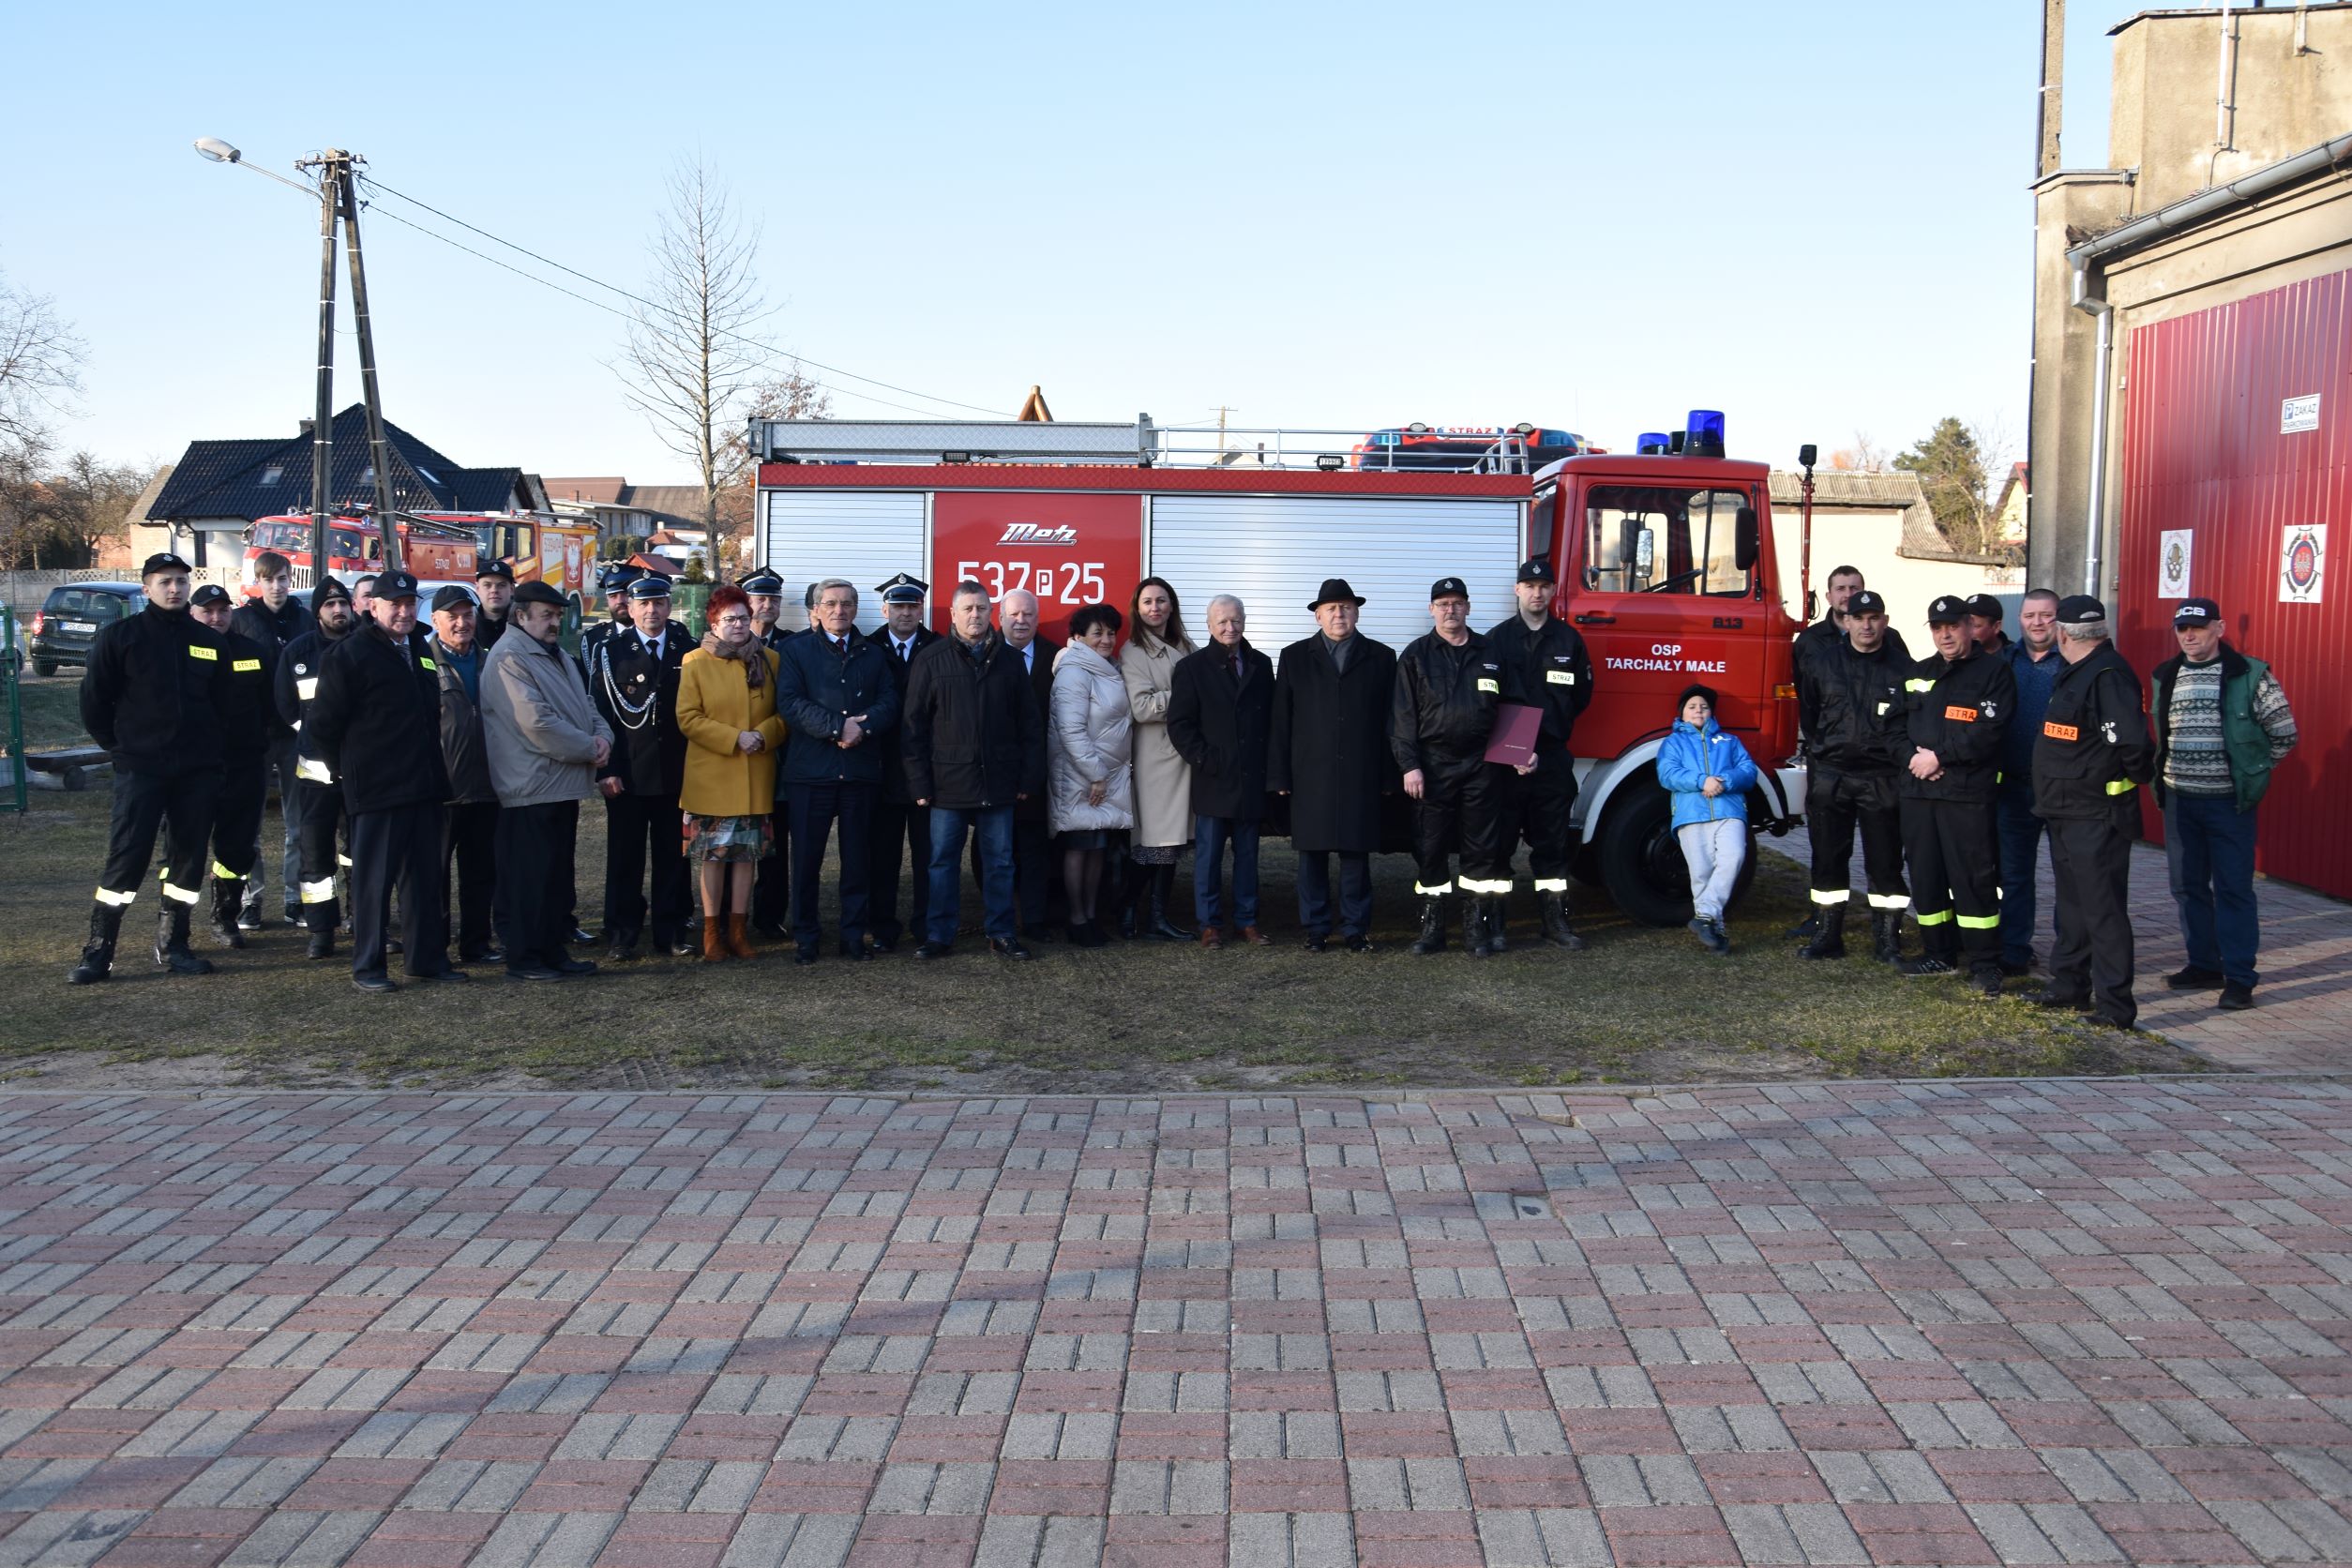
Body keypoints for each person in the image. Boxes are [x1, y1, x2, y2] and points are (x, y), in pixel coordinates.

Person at [68, 553, 231, 985]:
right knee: (128, 856)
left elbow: (224, 706)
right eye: (164, 582)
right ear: (146, 589)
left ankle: (175, 944)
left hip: (196, 771)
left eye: (180, 581)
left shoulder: (209, 641)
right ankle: (98, 953)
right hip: (141, 768)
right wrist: (120, 751)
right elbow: (94, 703)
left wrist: (213, 758)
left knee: (188, 858)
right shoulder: (121, 638)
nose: (174, 589)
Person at [306, 570, 460, 993]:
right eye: (395, 604)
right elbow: (322, 726)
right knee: (374, 885)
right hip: (377, 790)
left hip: (424, 785)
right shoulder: (349, 655)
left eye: (410, 604)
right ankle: (369, 967)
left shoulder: (419, 648)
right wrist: (349, 771)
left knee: (426, 880)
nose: (405, 612)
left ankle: (425, 960)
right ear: (372, 607)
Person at [2149, 596, 2299, 1011]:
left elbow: (2284, 733)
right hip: (2180, 801)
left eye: (2198, 627)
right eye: (2182, 629)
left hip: (2228, 804)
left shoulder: (2248, 675)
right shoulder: (2167, 675)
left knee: (2233, 890)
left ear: (2220, 627)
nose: (2189, 635)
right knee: (2187, 887)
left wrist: (2253, 771)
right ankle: (2203, 964)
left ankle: (2239, 979)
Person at [902, 580, 1043, 960]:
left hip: (999, 781)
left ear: (991, 612)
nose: (975, 615)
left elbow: (1030, 725)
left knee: (999, 861)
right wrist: (919, 781)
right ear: (953, 614)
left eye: (982, 608)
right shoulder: (931, 659)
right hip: (947, 782)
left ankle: (1001, 932)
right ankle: (939, 935)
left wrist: (1028, 778)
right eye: (968, 609)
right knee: (941, 862)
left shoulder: (1011, 662)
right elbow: (913, 727)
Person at [2031, 596, 2153, 1030]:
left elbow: (2134, 745)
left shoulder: (2106, 675)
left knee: (2102, 911)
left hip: (2096, 815)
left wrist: (2114, 783)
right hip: (2066, 810)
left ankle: (2116, 1007)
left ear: (2063, 634)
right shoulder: (2079, 672)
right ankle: (2069, 986)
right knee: (2074, 906)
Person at [1389, 577, 1528, 957]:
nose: (1450, 610)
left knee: (1481, 850)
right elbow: (1403, 717)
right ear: (1432, 610)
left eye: (1457, 603)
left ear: (1468, 607)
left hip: (1483, 765)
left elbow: (1513, 705)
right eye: (1443, 604)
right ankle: (1432, 929)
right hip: (1432, 766)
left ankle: (1475, 929)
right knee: (1430, 847)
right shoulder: (1416, 655)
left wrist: (1519, 751)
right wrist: (1409, 766)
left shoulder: (1491, 652)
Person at [481, 580, 610, 982]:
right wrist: (591, 747)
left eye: (557, 615)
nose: (555, 622)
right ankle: (524, 957)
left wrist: (603, 736)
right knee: (528, 879)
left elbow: (586, 703)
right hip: (530, 788)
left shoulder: (556, 655)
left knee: (555, 878)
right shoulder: (509, 658)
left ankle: (553, 950)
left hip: (560, 784)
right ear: (521, 616)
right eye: (546, 615)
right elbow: (536, 723)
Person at [1894, 594, 2017, 994]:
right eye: (1937, 628)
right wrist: (1914, 758)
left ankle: (1985, 962)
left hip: (1966, 795)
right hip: (1918, 792)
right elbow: (1891, 726)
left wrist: (1939, 757)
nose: (1945, 635)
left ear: (1969, 626)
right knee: (1926, 876)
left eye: (1952, 627)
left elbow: (1988, 732)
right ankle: (1938, 954)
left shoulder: (1993, 673)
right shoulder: (1918, 672)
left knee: (1973, 880)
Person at [776, 579, 899, 963]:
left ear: (855, 608)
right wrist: (836, 727)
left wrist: (863, 727)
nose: (838, 610)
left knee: (857, 861)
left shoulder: (874, 654)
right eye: (829, 603)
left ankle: (852, 937)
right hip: (810, 774)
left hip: (859, 773)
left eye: (846, 604)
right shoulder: (793, 651)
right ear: (815, 609)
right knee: (807, 862)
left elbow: (890, 701)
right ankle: (807, 938)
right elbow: (790, 703)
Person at [1269, 579, 1395, 953]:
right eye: (1331, 608)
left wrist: (1390, 773)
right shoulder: (1293, 657)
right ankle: (1316, 929)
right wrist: (1279, 774)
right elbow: (1281, 721)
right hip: (1311, 774)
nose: (1339, 614)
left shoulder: (1382, 656)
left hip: (1362, 773)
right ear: (1317, 616)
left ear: (1356, 612)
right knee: (1313, 856)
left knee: (1356, 856)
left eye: (1346, 607)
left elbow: (1392, 720)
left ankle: (1356, 929)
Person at [1794, 589, 1910, 962]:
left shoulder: (1903, 668)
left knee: (1885, 862)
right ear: (1845, 621)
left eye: (1874, 617)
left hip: (1882, 777)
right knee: (1828, 857)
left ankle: (1888, 939)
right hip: (1832, 774)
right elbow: (1810, 714)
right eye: (1859, 618)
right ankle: (1828, 935)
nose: (1866, 625)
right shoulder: (1822, 663)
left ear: (1885, 622)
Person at [1486, 557, 1595, 949]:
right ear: (1517, 590)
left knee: (1552, 847)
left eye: (1544, 586)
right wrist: (1515, 748)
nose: (1537, 592)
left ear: (1552, 591)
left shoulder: (1569, 641)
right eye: (1529, 586)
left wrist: (1546, 739)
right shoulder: (1496, 640)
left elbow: (1580, 696)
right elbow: (1487, 698)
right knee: (1498, 848)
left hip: (1550, 758)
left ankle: (1555, 923)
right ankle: (1496, 924)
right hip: (1506, 762)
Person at [677, 586, 787, 963]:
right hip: (713, 777)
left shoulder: (770, 659)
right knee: (713, 857)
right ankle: (711, 933)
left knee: (746, 858)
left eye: (743, 618)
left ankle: (739, 932)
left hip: (757, 775)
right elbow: (688, 717)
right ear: (714, 623)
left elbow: (785, 712)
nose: (738, 625)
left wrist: (763, 735)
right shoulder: (695, 660)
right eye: (730, 619)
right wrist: (734, 738)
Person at [590, 575, 693, 961]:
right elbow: (600, 715)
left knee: (673, 858)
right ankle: (622, 933)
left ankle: (672, 930)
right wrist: (606, 770)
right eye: (643, 604)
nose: (652, 611)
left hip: (675, 774)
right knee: (624, 859)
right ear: (629, 609)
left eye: (659, 603)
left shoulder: (688, 647)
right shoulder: (610, 651)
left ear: (669, 605)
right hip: (628, 775)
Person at [1167, 595, 1274, 948]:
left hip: (1250, 778)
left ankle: (1247, 921)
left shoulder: (1260, 663)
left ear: (1244, 621)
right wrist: (1205, 760)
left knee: (1248, 857)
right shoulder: (1191, 668)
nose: (1230, 628)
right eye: (1222, 622)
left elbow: (1269, 719)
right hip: (1213, 778)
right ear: (1209, 626)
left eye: (1236, 620)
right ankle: (1209, 923)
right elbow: (1180, 725)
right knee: (1208, 858)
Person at [182, 584, 279, 951]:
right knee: (185, 848)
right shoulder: (181, 652)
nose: (216, 617)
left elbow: (270, 703)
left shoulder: (252, 652)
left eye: (223, 610)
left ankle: (226, 917)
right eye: (208, 611)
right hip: (194, 767)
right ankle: (176, 929)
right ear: (194, 613)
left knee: (236, 848)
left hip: (244, 765)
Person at [276, 575, 358, 959]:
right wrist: (314, 736)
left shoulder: (366, 646)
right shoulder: (298, 652)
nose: (338, 610)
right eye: (330, 605)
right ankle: (321, 931)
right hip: (314, 771)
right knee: (315, 854)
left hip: (360, 767)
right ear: (318, 612)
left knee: (360, 850)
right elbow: (286, 706)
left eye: (343, 603)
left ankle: (362, 917)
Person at [229, 550, 311, 928]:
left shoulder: (305, 620)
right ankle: (252, 900)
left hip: (296, 736)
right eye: (269, 579)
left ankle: (295, 899)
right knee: (250, 824)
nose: (277, 586)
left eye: (282, 578)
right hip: (254, 737)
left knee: (299, 824)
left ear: (290, 579)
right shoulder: (242, 621)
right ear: (258, 582)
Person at [1048, 604, 1135, 947]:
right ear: (1078, 638)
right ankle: (1077, 918)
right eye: (1097, 633)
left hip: (1105, 776)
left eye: (1111, 632)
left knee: (1097, 847)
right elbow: (1070, 730)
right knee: (1080, 848)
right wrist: (1096, 775)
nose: (1106, 639)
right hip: (1083, 776)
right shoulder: (1074, 671)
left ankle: (1091, 917)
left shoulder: (1107, 668)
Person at [1119, 577, 1197, 941]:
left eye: (1161, 601)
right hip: (1156, 761)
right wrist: (1185, 695)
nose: (1155, 608)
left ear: (1171, 605)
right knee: (1154, 845)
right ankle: (1128, 910)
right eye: (1147, 601)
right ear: (1137, 608)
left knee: (1170, 845)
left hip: (1183, 756)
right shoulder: (1133, 651)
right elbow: (1142, 707)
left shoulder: (1184, 643)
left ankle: (1154, 917)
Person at [429, 586, 501, 966]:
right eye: (452, 616)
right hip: (442, 788)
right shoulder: (422, 661)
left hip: (486, 787)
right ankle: (435, 947)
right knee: (434, 874)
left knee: (480, 873)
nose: (462, 623)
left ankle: (476, 944)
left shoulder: (492, 660)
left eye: (467, 614)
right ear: (435, 620)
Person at [867, 573, 939, 953]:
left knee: (929, 856)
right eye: (899, 606)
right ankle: (883, 927)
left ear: (921, 609)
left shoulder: (940, 647)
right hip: (881, 769)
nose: (906, 613)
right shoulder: (869, 646)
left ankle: (927, 925)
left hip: (927, 771)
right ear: (885, 609)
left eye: (912, 606)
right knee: (883, 857)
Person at [1658, 685, 1757, 956]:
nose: (1698, 711)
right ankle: (1715, 930)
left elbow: (1748, 771)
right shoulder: (1672, 743)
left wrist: (1724, 781)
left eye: (1703, 706)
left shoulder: (1730, 741)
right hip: (1691, 814)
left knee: (1733, 858)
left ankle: (1704, 918)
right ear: (1682, 713)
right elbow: (1668, 775)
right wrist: (1702, 781)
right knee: (1701, 873)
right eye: (1692, 707)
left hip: (1730, 811)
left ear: (1711, 712)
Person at [1997, 590, 2064, 974]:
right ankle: (2014, 949)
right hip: (2014, 786)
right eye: (2030, 616)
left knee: (2066, 876)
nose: (2037, 623)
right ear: (2018, 620)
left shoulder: (2072, 662)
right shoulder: (2005, 661)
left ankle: (2066, 955)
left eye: (2046, 615)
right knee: (2014, 875)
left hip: (2060, 788)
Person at [992, 589, 1062, 940]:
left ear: (1038, 617)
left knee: (1035, 849)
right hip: (994, 771)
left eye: (1029, 615)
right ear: (1000, 618)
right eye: (1014, 614)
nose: (1021, 621)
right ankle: (1000, 918)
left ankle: (1034, 921)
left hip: (1041, 770)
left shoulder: (1057, 657)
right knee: (992, 850)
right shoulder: (985, 655)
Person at [738, 567, 796, 938]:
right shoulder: (726, 645)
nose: (767, 604)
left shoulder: (792, 644)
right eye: (760, 598)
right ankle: (732, 917)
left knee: (776, 844)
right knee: (738, 842)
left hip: (782, 757)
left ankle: (769, 916)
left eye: (773, 598)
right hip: (739, 756)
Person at [580, 563, 640, 671]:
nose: (620, 601)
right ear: (607, 599)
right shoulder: (593, 638)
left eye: (625, 594)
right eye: (613, 596)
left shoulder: (663, 632)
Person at [473, 559, 515, 650]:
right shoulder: (468, 629)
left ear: (512, 589)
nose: (494, 590)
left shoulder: (524, 626)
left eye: (501, 585)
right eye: (487, 585)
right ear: (477, 588)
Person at [1966, 593, 2012, 659]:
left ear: (1996, 627)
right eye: (1966, 625)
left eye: (1975, 626)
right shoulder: (1955, 657)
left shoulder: (2015, 658)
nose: (1968, 631)